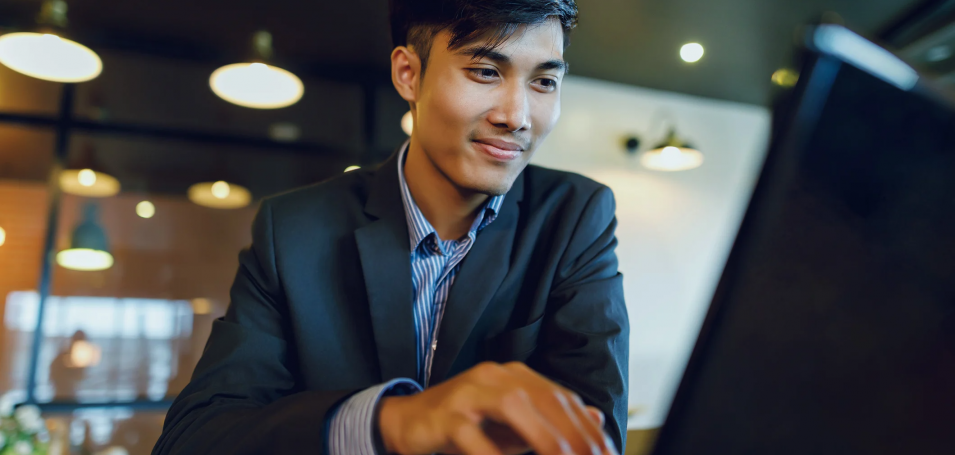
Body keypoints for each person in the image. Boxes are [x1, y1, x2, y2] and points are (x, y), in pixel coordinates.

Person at [154, 0, 629, 454]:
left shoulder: (575, 215)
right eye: (486, 72)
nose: (518, 117)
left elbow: (595, 431)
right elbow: (196, 437)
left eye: (544, 82)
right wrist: (392, 422)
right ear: (409, 74)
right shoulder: (294, 229)